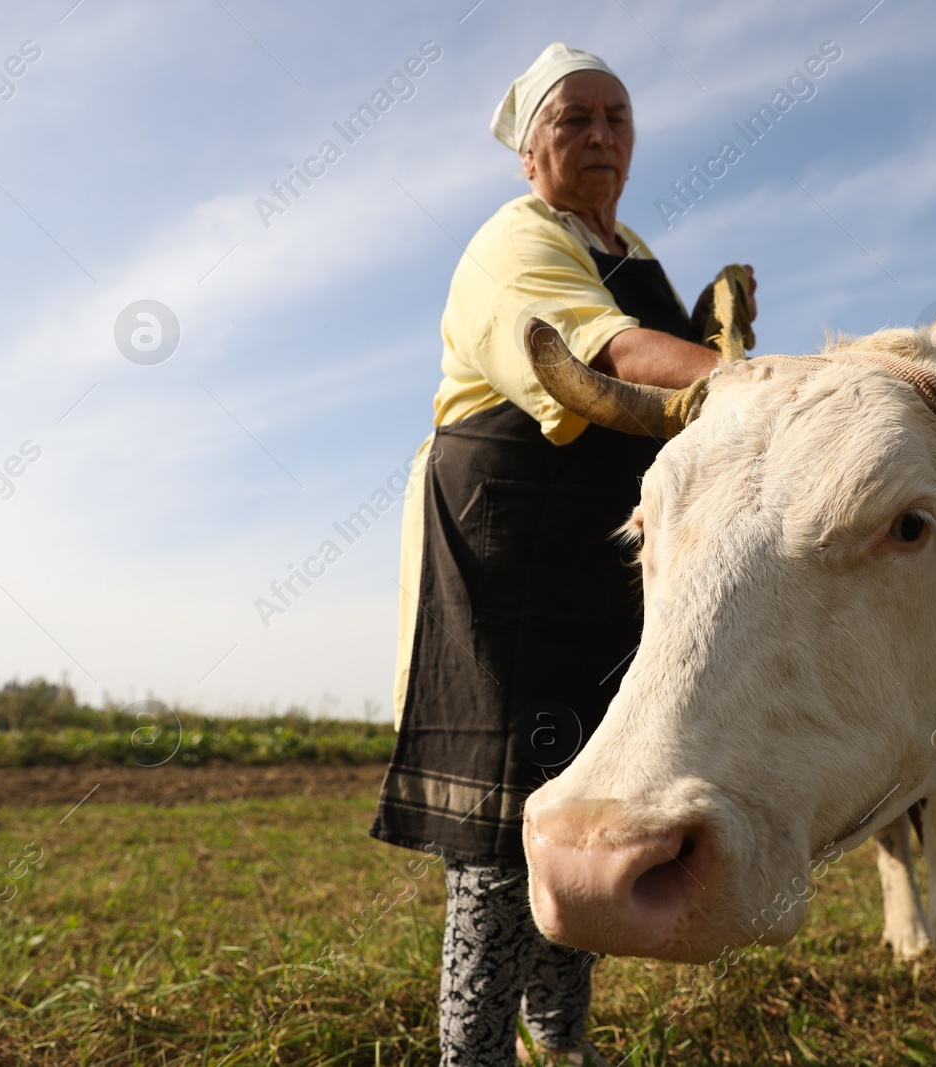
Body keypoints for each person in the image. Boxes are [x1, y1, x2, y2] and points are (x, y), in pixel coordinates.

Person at [369, 42, 755, 1067]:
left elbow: (676, 376)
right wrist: (778, 390)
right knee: (502, 828)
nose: (599, 136)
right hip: (500, 548)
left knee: (582, 807)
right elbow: (612, 352)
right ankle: (475, 1054)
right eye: (573, 119)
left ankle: (563, 1044)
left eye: (616, 119)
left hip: (597, 556)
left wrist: (721, 336)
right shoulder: (516, 239)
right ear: (527, 151)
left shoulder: (631, 252)